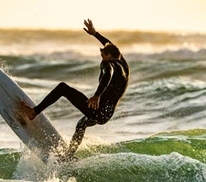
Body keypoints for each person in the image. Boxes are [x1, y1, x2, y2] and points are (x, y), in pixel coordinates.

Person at [19, 19, 130, 161]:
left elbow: (108, 75)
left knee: (62, 88)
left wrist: (97, 96)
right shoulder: (123, 64)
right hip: (106, 115)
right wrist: (95, 34)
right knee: (81, 124)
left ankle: (33, 112)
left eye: (103, 56)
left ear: (109, 56)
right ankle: (68, 156)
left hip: (98, 110)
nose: (101, 59)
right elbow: (110, 45)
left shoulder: (108, 64)